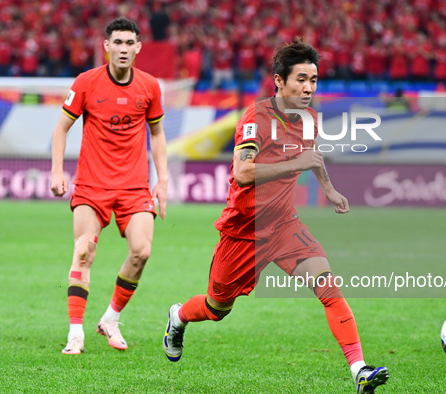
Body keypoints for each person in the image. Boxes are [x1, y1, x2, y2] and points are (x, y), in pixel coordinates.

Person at [163, 38, 389, 393]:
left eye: (313, 80)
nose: (308, 87)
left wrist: (328, 188)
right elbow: (242, 172)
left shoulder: (309, 117)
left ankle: (359, 370)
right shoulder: (256, 117)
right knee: (216, 307)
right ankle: (178, 317)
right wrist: (294, 163)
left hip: (284, 225)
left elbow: (310, 154)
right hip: (243, 232)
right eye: (301, 79)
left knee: (328, 286)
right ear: (279, 81)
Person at [50, 17, 168, 355]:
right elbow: (61, 129)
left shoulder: (149, 86)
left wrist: (163, 178)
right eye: (118, 42)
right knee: (84, 250)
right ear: (106, 46)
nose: (124, 49)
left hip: (134, 186)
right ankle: (76, 333)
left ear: (138, 48)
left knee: (142, 251)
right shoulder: (87, 82)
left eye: (130, 43)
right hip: (92, 183)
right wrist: (58, 171)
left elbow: (157, 135)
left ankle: (110, 319)